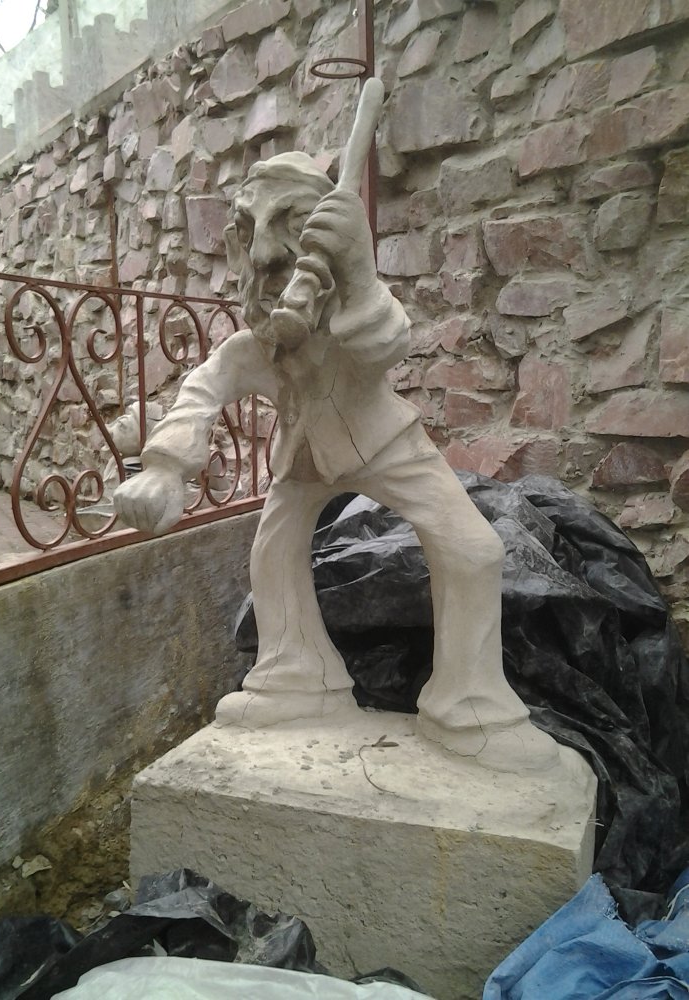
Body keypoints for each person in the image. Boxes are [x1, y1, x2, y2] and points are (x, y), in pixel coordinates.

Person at [114, 152, 559, 772]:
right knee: (274, 555)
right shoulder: (258, 344)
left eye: (292, 225)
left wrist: (358, 272)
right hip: (300, 461)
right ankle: (295, 678)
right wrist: (165, 466)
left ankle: (471, 705)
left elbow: (384, 342)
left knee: (474, 551)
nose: (265, 255)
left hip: (384, 445)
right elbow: (206, 385)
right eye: (248, 230)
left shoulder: (353, 317)